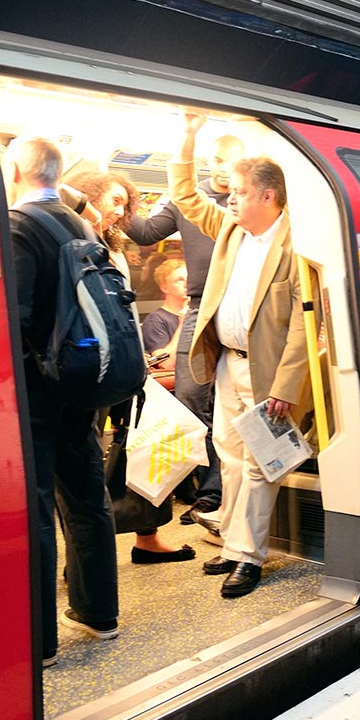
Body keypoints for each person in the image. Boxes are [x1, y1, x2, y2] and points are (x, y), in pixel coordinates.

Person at [171, 112, 312, 598]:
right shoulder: (232, 228)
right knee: (229, 456)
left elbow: (304, 320)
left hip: (268, 372)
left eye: (239, 191)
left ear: (267, 197)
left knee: (259, 463)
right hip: (229, 363)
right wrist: (188, 136)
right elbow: (186, 197)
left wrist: (285, 386)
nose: (229, 198)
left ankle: (248, 558)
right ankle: (234, 545)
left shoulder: (298, 242)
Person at [7, 138, 119, 665]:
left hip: (37, 386)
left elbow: (19, 315)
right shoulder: (83, 223)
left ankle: (40, 641)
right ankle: (100, 614)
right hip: (83, 381)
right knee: (86, 493)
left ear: (14, 170)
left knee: (38, 506)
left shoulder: (18, 225)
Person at [68, 171, 196, 565]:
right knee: (84, 460)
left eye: (126, 204)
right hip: (90, 364)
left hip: (124, 361)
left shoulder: (116, 245)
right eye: (114, 201)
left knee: (145, 444)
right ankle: (84, 557)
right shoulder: (69, 239)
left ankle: (148, 537)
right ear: (89, 200)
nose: (120, 211)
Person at [122, 133, 247, 523]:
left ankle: (217, 490)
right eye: (218, 160)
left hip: (242, 305)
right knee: (192, 398)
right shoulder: (187, 199)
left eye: (232, 160)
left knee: (239, 399)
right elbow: (144, 233)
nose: (224, 168)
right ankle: (199, 485)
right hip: (199, 308)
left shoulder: (249, 200)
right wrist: (119, 200)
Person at [142, 259, 188, 361]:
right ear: (165, 288)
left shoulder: (199, 315)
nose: (187, 284)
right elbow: (165, 363)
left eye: (189, 278)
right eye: (179, 280)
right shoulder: (155, 320)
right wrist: (183, 325)